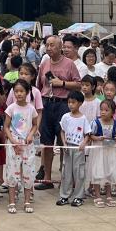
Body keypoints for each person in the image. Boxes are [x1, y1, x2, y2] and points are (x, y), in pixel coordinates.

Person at [36, 36, 82, 190]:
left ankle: (66, 178)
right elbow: (39, 85)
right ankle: (47, 179)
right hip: (46, 104)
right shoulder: (44, 63)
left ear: (60, 47)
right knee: (46, 143)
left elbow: (78, 84)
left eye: (52, 45)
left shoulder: (69, 64)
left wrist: (61, 83)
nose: (49, 48)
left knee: (64, 142)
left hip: (63, 104)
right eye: (47, 45)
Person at [4, 79, 39, 214]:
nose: (18, 94)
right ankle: (12, 201)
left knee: (28, 171)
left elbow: (35, 124)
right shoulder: (11, 108)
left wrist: (30, 135)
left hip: (27, 145)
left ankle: (27, 201)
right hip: (14, 144)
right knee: (12, 172)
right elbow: (6, 127)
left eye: (21, 91)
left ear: (27, 92)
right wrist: (13, 141)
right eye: (16, 91)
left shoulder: (31, 108)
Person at [87, 97, 116, 207]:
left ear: (113, 112)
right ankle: (97, 195)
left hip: (110, 151)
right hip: (99, 151)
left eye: (106, 110)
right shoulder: (95, 122)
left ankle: (108, 195)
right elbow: (90, 136)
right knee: (98, 172)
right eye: (101, 109)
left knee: (110, 172)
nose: (103, 112)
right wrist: (98, 138)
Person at [57, 89, 90, 207]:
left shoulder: (83, 118)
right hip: (68, 148)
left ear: (80, 103)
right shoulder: (65, 117)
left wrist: (83, 143)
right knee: (66, 172)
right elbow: (62, 131)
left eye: (73, 102)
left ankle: (78, 196)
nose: (70, 105)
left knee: (79, 172)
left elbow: (87, 134)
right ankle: (64, 196)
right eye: (69, 102)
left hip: (78, 149)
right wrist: (64, 143)